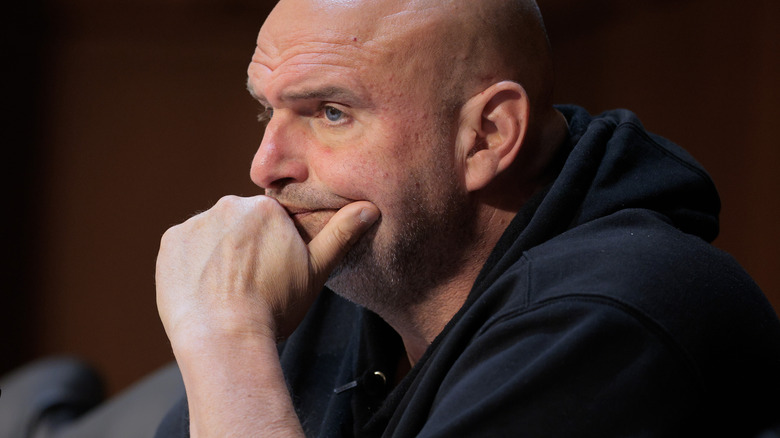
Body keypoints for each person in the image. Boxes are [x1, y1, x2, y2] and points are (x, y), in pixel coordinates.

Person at [153, 0, 780, 436]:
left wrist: (227, 343)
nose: (267, 167)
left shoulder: (620, 315)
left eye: (330, 112)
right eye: (269, 112)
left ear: (486, 134)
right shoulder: (363, 262)